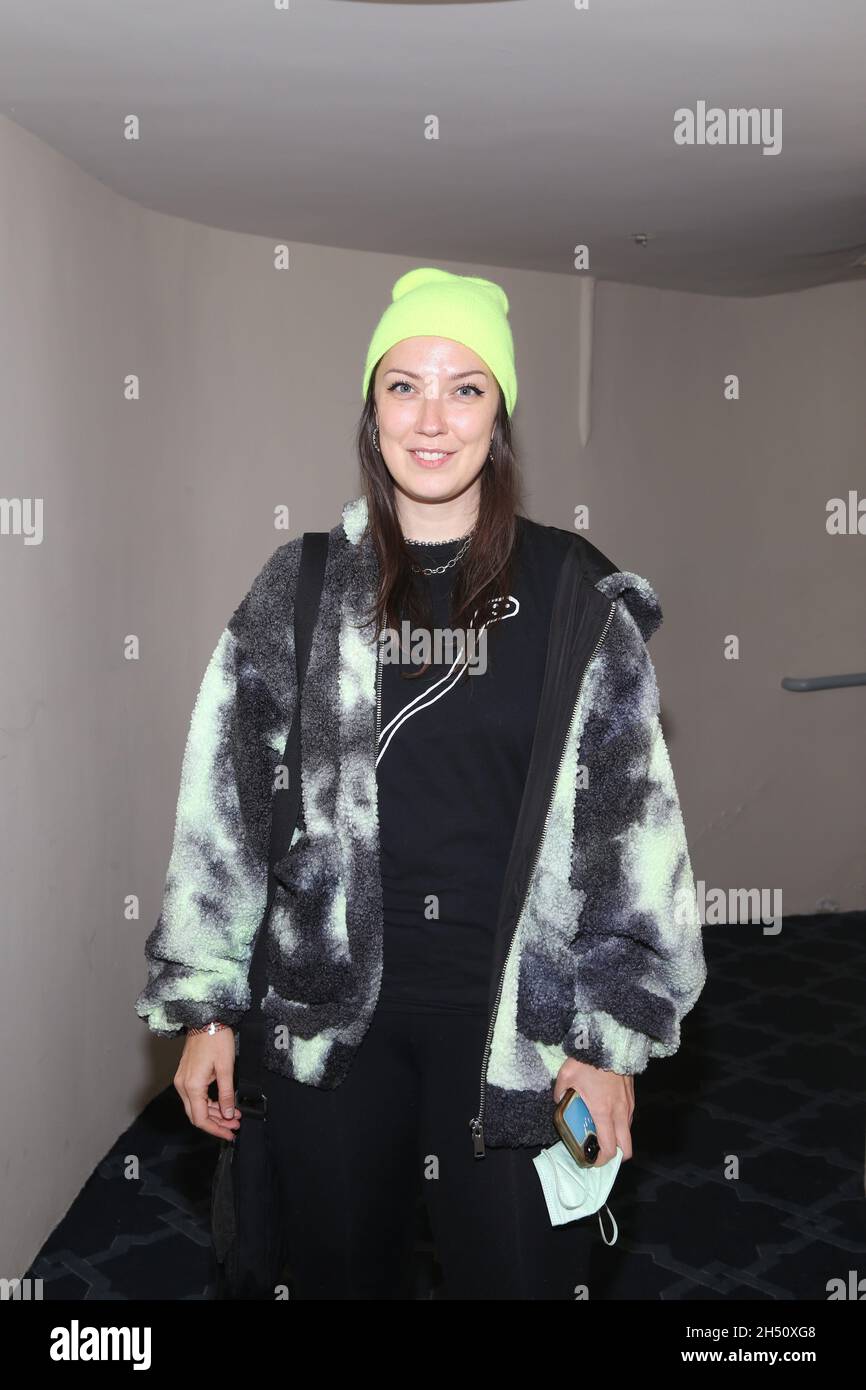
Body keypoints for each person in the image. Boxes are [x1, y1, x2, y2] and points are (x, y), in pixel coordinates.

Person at [135, 266, 707, 1299]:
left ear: (500, 416)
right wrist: (207, 1006)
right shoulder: (299, 586)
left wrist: (610, 1039)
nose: (431, 417)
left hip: (519, 1029)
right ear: (371, 411)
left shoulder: (574, 593)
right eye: (403, 386)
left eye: (465, 387)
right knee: (337, 1276)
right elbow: (220, 811)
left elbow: (634, 833)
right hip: (329, 1021)